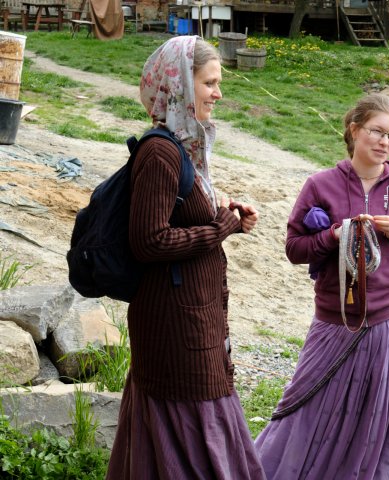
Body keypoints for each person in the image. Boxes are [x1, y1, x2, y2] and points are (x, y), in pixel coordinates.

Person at [105, 36, 265, 480]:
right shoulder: (160, 152)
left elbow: (178, 215)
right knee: (192, 430)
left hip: (191, 314)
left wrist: (225, 213)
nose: (219, 93)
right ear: (179, 84)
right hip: (174, 323)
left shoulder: (183, 146)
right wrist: (220, 228)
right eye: (209, 83)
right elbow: (149, 240)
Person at [254, 93, 389, 479]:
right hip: (333, 322)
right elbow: (294, 249)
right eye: (377, 132)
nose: (385, 142)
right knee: (308, 409)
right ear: (354, 130)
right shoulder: (320, 185)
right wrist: (334, 235)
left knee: (377, 420)